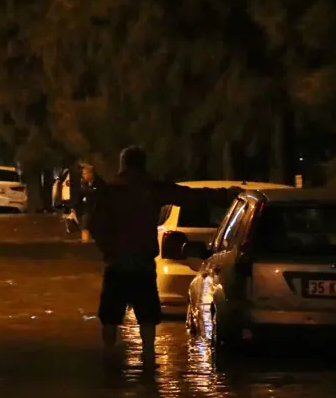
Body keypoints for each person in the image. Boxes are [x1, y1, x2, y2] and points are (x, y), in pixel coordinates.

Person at [88, 146, 239, 360]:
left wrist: (109, 248)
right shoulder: (150, 188)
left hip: (117, 263)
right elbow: (188, 195)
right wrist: (225, 195)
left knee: (110, 317)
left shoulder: (109, 191)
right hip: (143, 264)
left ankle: (110, 359)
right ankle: (148, 359)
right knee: (147, 317)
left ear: (123, 164)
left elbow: (94, 225)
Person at [72, 164, 105, 243]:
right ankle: (85, 243)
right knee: (84, 227)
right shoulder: (85, 184)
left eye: (85, 173)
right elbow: (79, 197)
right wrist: (73, 208)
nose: (83, 176)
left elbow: (97, 193)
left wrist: (85, 190)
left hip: (98, 209)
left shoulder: (99, 183)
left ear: (91, 174)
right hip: (88, 209)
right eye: (83, 174)